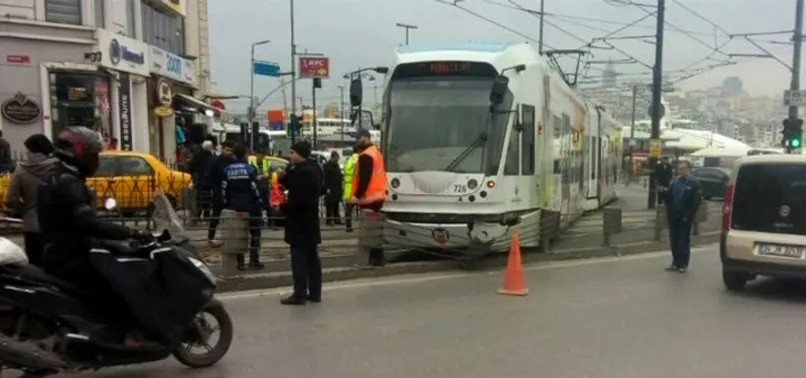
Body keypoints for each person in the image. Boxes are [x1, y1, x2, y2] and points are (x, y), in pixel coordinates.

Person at [37, 127, 150, 345]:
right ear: (81, 154)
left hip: (57, 250)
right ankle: (117, 337)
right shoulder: (68, 183)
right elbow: (88, 222)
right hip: (71, 256)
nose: (96, 160)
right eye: (94, 155)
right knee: (121, 285)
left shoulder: (54, 175)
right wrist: (129, 232)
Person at [278, 141, 323, 305]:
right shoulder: (314, 169)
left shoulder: (303, 173)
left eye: (292, 153)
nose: (289, 156)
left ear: (300, 154)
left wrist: (283, 208)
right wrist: (285, 178)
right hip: (311, 221)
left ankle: (299, 293)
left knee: (299, 259)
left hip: (299, 221)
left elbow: (299, 198)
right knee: (312, 258)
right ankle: (315, 292)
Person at [6, 134, 57, 265]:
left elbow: (11, 199)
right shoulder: (58, 167)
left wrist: (25, 211)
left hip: (32, 226)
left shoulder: (21, 170)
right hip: (56, 224)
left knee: (36, 265)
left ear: (31, 150)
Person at [347, 129, 388, 267]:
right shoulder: (376, 152)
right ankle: (377, 259)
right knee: (374, 229)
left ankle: (366, 260)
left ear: (366, 138)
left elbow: (365, 178)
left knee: (368, 230)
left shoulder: (366, 155)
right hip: (378, 196)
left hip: (369, 197)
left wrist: (356, 196)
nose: (356, 141)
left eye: (358, 138)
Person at [222, 145, 265, 271]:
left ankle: (240, 261)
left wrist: (227, 202)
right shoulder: (250, 169)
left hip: (235, 206)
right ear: (246, 154)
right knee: (255, 233)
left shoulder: (227, 170)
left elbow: (224, 188)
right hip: (251, 206)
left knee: (239, 233)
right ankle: (253, 259)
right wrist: (260, 201)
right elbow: (254, 187)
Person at [662, 161, 701, 273]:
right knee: (674, 239)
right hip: (673, 214)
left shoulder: (694, 183)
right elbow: (669, 196)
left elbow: (696, 202)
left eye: (683, 169)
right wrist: (664, 194)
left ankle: (683, 263)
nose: (680, 171)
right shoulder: (675, 181)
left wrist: (689, 215)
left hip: (685, 216)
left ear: (689, 169)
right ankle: (675, 262)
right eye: (679, 169)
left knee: (683, 239)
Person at [206, 140, 235, 245]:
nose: (229, 153)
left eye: (231, 151)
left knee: (231, 215)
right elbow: (210, 176)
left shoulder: (232, 161)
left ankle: (230, 237)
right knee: (215, 215)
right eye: (227, 150)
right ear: (222, 149)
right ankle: (211, 237)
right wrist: (215, 188)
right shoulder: (215, 161)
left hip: (230, 192)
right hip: (218, 191)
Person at [189, 140, 214, 222]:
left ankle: (197, 215)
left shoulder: (197, 156)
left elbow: (191, 166)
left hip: (199, 180)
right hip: (208, 181)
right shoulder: (211, 157)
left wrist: (193, 175)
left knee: (199, 199)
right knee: (207, 198)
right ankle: (206, 215)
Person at [248, 149, 273, 219]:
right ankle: (259, 220)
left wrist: (263, 176)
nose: (258, 158)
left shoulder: (268, 163)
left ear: (263, 157)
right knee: (258, 203)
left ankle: (270, 220)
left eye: (260, 156)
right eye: (257, 156)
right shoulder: (252, 163)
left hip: (265, 186)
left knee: (267, 203)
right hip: (256, 186)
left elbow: (271, 174)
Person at [323, 150, 343, 226]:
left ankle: (337, 219)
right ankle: (329, 220)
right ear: (333, 158)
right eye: (337, 158)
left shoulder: (336, 165)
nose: (337, 160)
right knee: (329, 205)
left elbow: (339, 176)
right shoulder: (327, 166)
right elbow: (326, 178)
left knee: (336, 205)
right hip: (330, 188)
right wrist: (327, 188)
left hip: (337, 188)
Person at [342, 145, 359, 232]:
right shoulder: (361, 159)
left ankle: (348, 227)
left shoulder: (349, 160)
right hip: (359, 187)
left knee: (349, 209)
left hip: (349, 188)